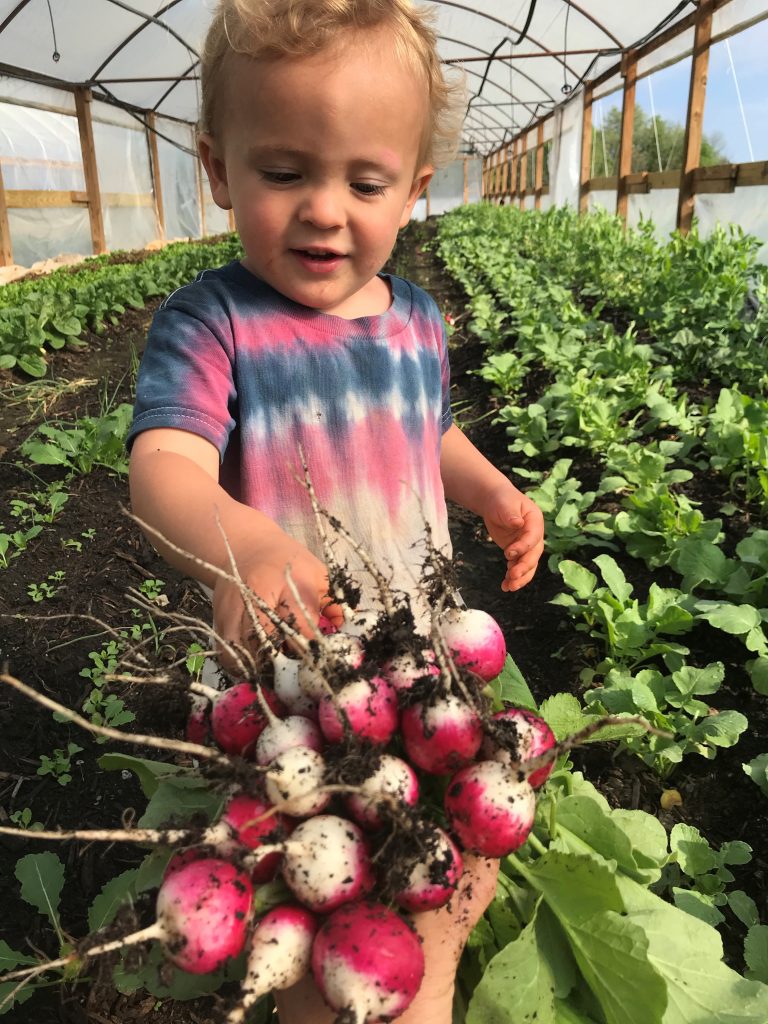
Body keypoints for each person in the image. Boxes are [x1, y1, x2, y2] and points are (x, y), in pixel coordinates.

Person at [127, 1, 544, 1020]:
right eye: (283, 173)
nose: (324, 209)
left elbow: (427, 431)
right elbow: (164, 467)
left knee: (448, 881)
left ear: (413, 189)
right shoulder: (211, 323)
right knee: (330, 938)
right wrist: (243, 547)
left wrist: (487, 489)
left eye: (364, 182)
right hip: (294, 703)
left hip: (420, 680)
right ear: (218, 169)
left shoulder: (416, 321)